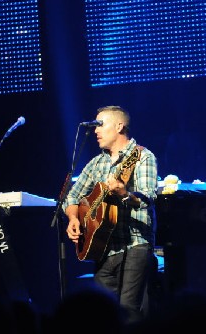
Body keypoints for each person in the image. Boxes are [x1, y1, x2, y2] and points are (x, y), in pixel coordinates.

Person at [63, 105, 158, 324]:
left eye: (100, 124)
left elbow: (147, 199)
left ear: (119, 126)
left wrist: (125, 193)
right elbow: (71, 197)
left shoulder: (142, 157)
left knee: (129, 311)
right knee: (103, 317)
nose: (96, 130)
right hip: (102, 248)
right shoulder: (97, 163)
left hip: (134, 244)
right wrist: (74, 218)